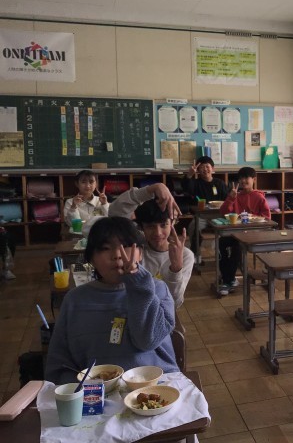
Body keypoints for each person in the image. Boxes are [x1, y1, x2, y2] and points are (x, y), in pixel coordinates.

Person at [45, 217, 179, 384]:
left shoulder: (157, 290)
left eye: (126, 246)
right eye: (105, 248)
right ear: (91, 258)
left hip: (156, 385)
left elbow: (147, 341)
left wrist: (139, 285)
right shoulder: (74, 300)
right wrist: (78, 389)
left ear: (140, 253)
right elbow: (59, 364)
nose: (117, 255)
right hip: (95, 391)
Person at [109, 183, 193, 308]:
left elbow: (175, 302)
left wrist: (176, 269)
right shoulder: (137, 244)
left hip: (162, 312)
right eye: (150, 226)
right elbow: (114, 214)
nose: (158, 233)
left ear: (172, 223)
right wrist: (151, 189)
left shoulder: (185, 255)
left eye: (163, 225)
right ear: (141, 227)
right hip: (133, 307)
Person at [218, 166, 271, 295]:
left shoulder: (259, 197)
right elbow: (223, 213)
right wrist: (230, 198)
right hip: (237, 232)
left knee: (237, 247)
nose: (243, 181)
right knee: (221, 242)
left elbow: (267, 218)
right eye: (240, 178)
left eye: (246, 178)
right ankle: (229, 278)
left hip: (254, 234)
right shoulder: (236, 195)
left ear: (254, 180)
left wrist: (253, 219)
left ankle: (227, 281)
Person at [183, 156, 228, 256]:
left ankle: (222, 253)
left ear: (212, 168)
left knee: (228, 227)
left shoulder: (220, 183)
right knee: (193, 227)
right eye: (202, 167)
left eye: (207, 166)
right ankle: (196, 255)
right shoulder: (195, 183)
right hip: (202, 216)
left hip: (219, 215)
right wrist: (189, 175)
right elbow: (186, 188)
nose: (205, 169)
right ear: (198, 170)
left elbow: (227, 199)